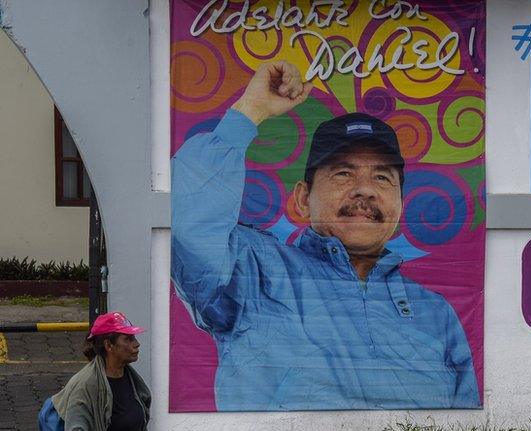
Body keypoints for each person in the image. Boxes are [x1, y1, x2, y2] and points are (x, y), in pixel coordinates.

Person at [172, 60, 480, 411]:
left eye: (383, 178)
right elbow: (184, 224)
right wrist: (251, 110)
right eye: (343, 173)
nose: (364, 190)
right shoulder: (252, 270)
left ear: (399, 209)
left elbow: (463, 425)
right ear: (303, 199)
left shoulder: (436, 313)